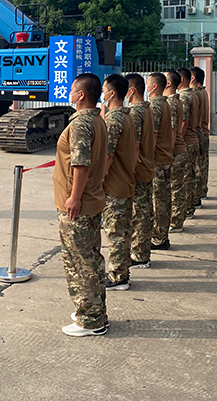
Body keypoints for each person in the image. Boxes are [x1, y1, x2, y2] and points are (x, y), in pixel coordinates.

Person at [54, 73, 109, 337]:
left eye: (72, 90)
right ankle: (93, 311)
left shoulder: (81, 124)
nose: (70, 93)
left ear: (81, 95)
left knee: (80, 262)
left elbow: (81, 163)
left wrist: (74, 197)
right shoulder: (97, 119)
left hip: (79, 204)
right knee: (90, 259)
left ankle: (90, 320)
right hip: (92, 199)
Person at [101, 74, 137, 292]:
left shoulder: (114, 119)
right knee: (122, 231)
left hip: (115, 184)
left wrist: (98, 180)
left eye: (105, 90)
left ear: (112, 93)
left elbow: (108, 155)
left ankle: (118, 276)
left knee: (116, 233)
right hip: (124, 179)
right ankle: (122, 271)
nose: (103, 94)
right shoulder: (127, 115)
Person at [126, 73, 155, 270]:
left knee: (139, 213)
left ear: (132, 90)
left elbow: (134, 144)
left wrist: (128, 169)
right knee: (144, 210)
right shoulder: (147, 108)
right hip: (146, 164)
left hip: (137, 167)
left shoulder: (136, 112)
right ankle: (142, 251)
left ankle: (139, 254)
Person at [147, 73, 173, 251]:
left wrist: (147, 158)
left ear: (154, 86)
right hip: (164, 157)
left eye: (148, 83)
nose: (146, 86)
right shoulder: (165, 103)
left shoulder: (156, 106)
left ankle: (159, 237)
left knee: (158, 201)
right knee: (163, 198)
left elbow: (153, 136)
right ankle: (161, 235)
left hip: (157, 160)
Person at [172, 67, 199, 230]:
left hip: (186, 141)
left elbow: (183, 122)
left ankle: (180, 215)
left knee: (181, 182)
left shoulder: (183, 97)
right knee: (188, 177)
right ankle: (187, 208)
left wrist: (177, 141)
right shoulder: (194, 94)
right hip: (192, 139)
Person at [162, 71, 187, 243]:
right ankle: (177, 219)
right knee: (177, 187)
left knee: (174, 189)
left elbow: (172, 130)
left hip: (175, 150)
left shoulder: (171, 103)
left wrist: (168, 152)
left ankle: (176, 221)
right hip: (178, 149)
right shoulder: (176, 100)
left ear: (168, 83)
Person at [189, 66, 210, 209]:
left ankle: (196, 196)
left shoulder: (194, 94)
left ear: (192, 78)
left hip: (197, 131)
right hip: (204, 131)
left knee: (195, 167)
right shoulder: (204, 92)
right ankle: (202, 190)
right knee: (202, 164)